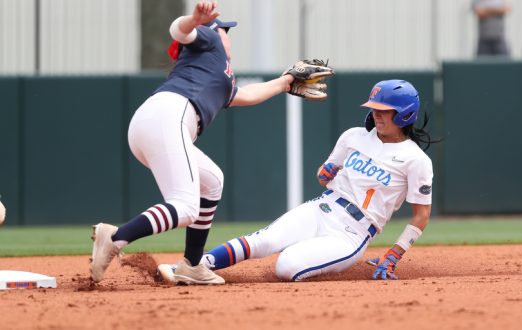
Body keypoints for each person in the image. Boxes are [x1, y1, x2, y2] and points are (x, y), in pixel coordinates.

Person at [89, 1, 316, 284]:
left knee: (212, 181)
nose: (227, 36)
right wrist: (194, 20)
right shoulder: (209, 43)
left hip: (154, 122)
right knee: (185, 207)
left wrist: (285, 82)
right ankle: (117, 237)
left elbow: (247, 95)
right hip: (169, 116)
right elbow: (179, 31)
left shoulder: (219, 73)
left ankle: (192, 265)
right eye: (225, 30)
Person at [159, 79, 439, 283]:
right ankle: (193, 266)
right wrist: (324, 172)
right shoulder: (354, 136)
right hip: (322, 207)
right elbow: (323, 175)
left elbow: (421, 216)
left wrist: (393, 255)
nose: (376, 113)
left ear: (404, 114)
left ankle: (324, 261)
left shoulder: (416, 160)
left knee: (287, 266)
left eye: (384, 109)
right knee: (264, 240)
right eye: (374, 106)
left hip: (352, 232)